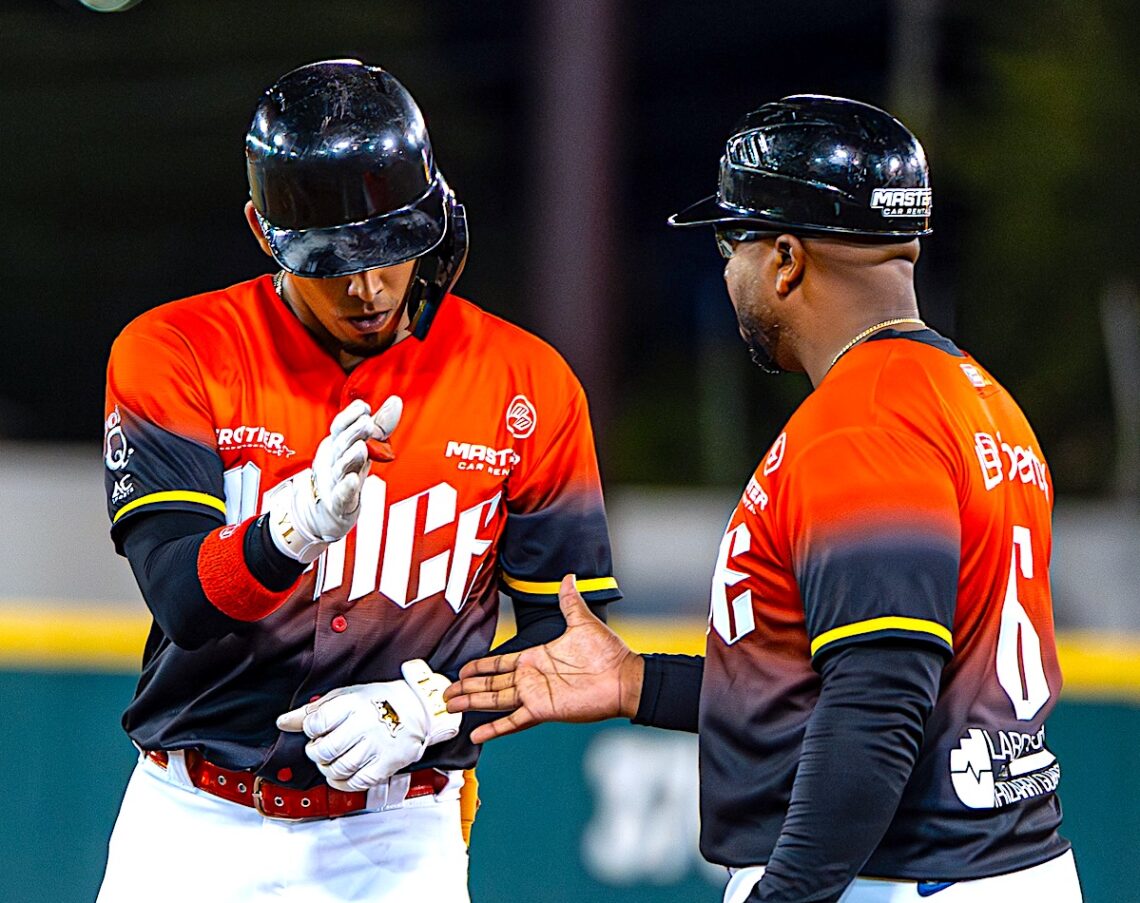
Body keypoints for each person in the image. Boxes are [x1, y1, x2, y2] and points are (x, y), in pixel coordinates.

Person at [445, 95, 1082, 902]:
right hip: (988, 864)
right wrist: (636, 682)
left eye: (730, 240)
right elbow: (831, 682)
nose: (726, 266)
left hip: (899, 878)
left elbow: (877, 706)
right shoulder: (977, 398)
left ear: (786, 257)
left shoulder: (866, 419)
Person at [98, 59, 620, 903]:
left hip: (396, 833)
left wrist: (436, 708)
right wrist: (290, 528)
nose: (369, 285)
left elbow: (566, 633)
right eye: (335, 259)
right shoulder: (177, 350)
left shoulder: (527, 382)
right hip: (192, 824)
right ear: (264, 233)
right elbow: (181, 600)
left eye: (390, 250)